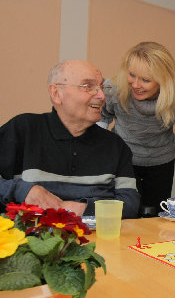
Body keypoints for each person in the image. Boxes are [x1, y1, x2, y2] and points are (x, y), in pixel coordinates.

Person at [0, 60, 140, 218]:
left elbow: (130, 204)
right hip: (29, 240)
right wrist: (23, 190)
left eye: (101, 87)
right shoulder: (22, 129)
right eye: (88, 86)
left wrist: (76, 209)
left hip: (98, 240)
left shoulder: (115, 145)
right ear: (56, 93)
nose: (101, 96)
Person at [100, 42, 175, 216]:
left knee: (154, 215)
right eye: (132, 75)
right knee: (124, 213)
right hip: (123, 159)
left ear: (164, 81)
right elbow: (103, 117)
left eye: (146, 80)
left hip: (160, 162)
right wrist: (95, 152)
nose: (136, 85)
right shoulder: (114, 88)